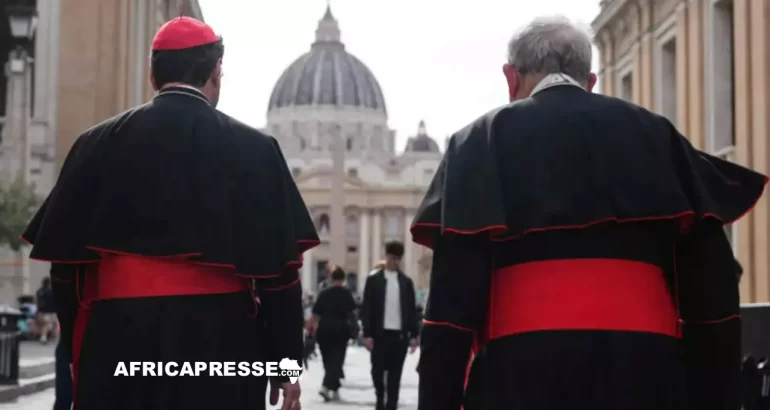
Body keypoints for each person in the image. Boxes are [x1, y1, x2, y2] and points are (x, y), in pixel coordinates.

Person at [410, 16, 768, 410]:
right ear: (590, 80)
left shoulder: (477, 142)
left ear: (511, 79)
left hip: (519, 378)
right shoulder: (656, 134)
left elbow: (450, 312)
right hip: (646, 377)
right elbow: (711, 296)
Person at [20, 17, 318, 410]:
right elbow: (280, 279)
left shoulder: (93, 144)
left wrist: (84, 347)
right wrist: (285, 366)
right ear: (215, 72)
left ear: (151, 73)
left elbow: (65, 270)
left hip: (118, 341)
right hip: (222, 345)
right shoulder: (256, 150)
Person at [360, 242, 419, 410]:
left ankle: (392, 404)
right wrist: (367, 334)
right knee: (377, 371)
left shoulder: (406, 282)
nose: (395, 261)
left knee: (395, 373)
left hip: (399, 335)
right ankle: (380, 398)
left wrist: (414, 335)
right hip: (379, 334)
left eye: (398, 258)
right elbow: (367, 308)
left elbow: (411, 310)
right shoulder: (374, 280)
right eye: (392, 258)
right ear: (386, 256)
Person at [306, 267, 356, 402]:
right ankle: (326, 386)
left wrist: (309, 329)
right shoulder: (346, 293)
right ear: (343, 279)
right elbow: (352, 313)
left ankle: (334, 388)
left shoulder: (323, 293)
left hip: (324, 330)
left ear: (331, 278)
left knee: (328, 360)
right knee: (337, 360)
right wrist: (355, 331)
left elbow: (315, 314)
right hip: (341, 330)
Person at [35, 277, 56, 343]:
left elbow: (38, 302)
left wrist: (38, 310)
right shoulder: (51, 291)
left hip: (42, 311)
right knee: (48, 325)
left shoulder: (39, 291)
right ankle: (45, 337)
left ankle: (46, 336)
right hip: (50, 311)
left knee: (45, 325)